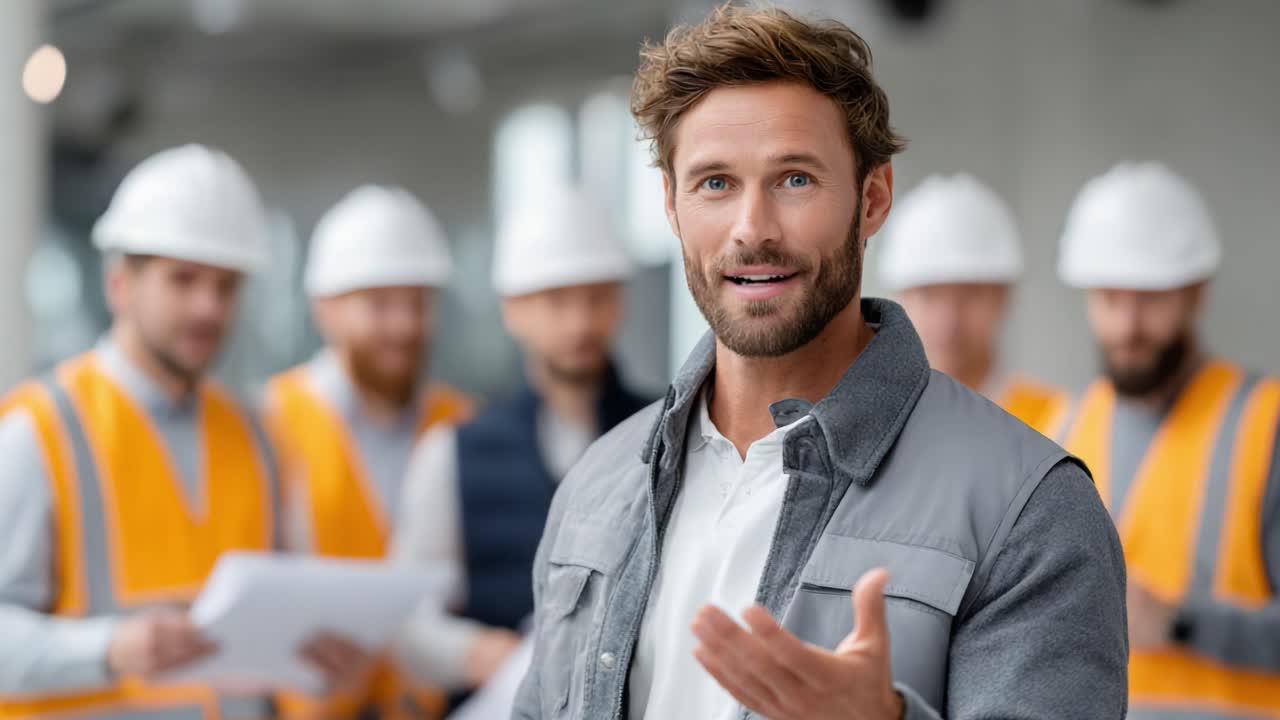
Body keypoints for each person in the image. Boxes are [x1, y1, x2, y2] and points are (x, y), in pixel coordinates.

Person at [511, 7, 1128, 719]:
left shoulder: (1027, 512)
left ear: (872, 198)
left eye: (795, 179)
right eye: (715, 183)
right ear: (673, 209)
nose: (752, 229)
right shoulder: (599, 484)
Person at [0, 145, 364, 719]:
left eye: (226, 287)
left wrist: (316, 664)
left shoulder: (257, 434)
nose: (208, 308)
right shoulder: (40, 431)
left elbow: (270, 626)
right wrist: (108, 649)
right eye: (183, 280)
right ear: (121, 284)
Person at [390, 187, 653, 707]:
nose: (580, 321)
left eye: (598, 297)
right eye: (556, 300)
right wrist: (493, 656)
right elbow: (406, 625)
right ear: (512, 310)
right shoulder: (452, 453)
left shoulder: (667, 432)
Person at [1058, 162, 1280, 719]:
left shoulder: (1265, 423)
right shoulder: (1062, 431)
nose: (1129, 325)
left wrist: (1182, 624)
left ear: (1195, 293)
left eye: (1151, 299)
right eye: (1111, 298)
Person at [264, 185, 472, 720]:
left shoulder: (463, 425)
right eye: (380, 305)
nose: (404, 325)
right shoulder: (269, 422)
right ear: (325, 310)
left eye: (417, 303)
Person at [879, 173, 1068, 436]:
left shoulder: (1059, 422)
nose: (949, 319)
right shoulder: (873, 425)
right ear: (899, 299)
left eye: (969, 294)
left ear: (1003, 297)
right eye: (930, 295)